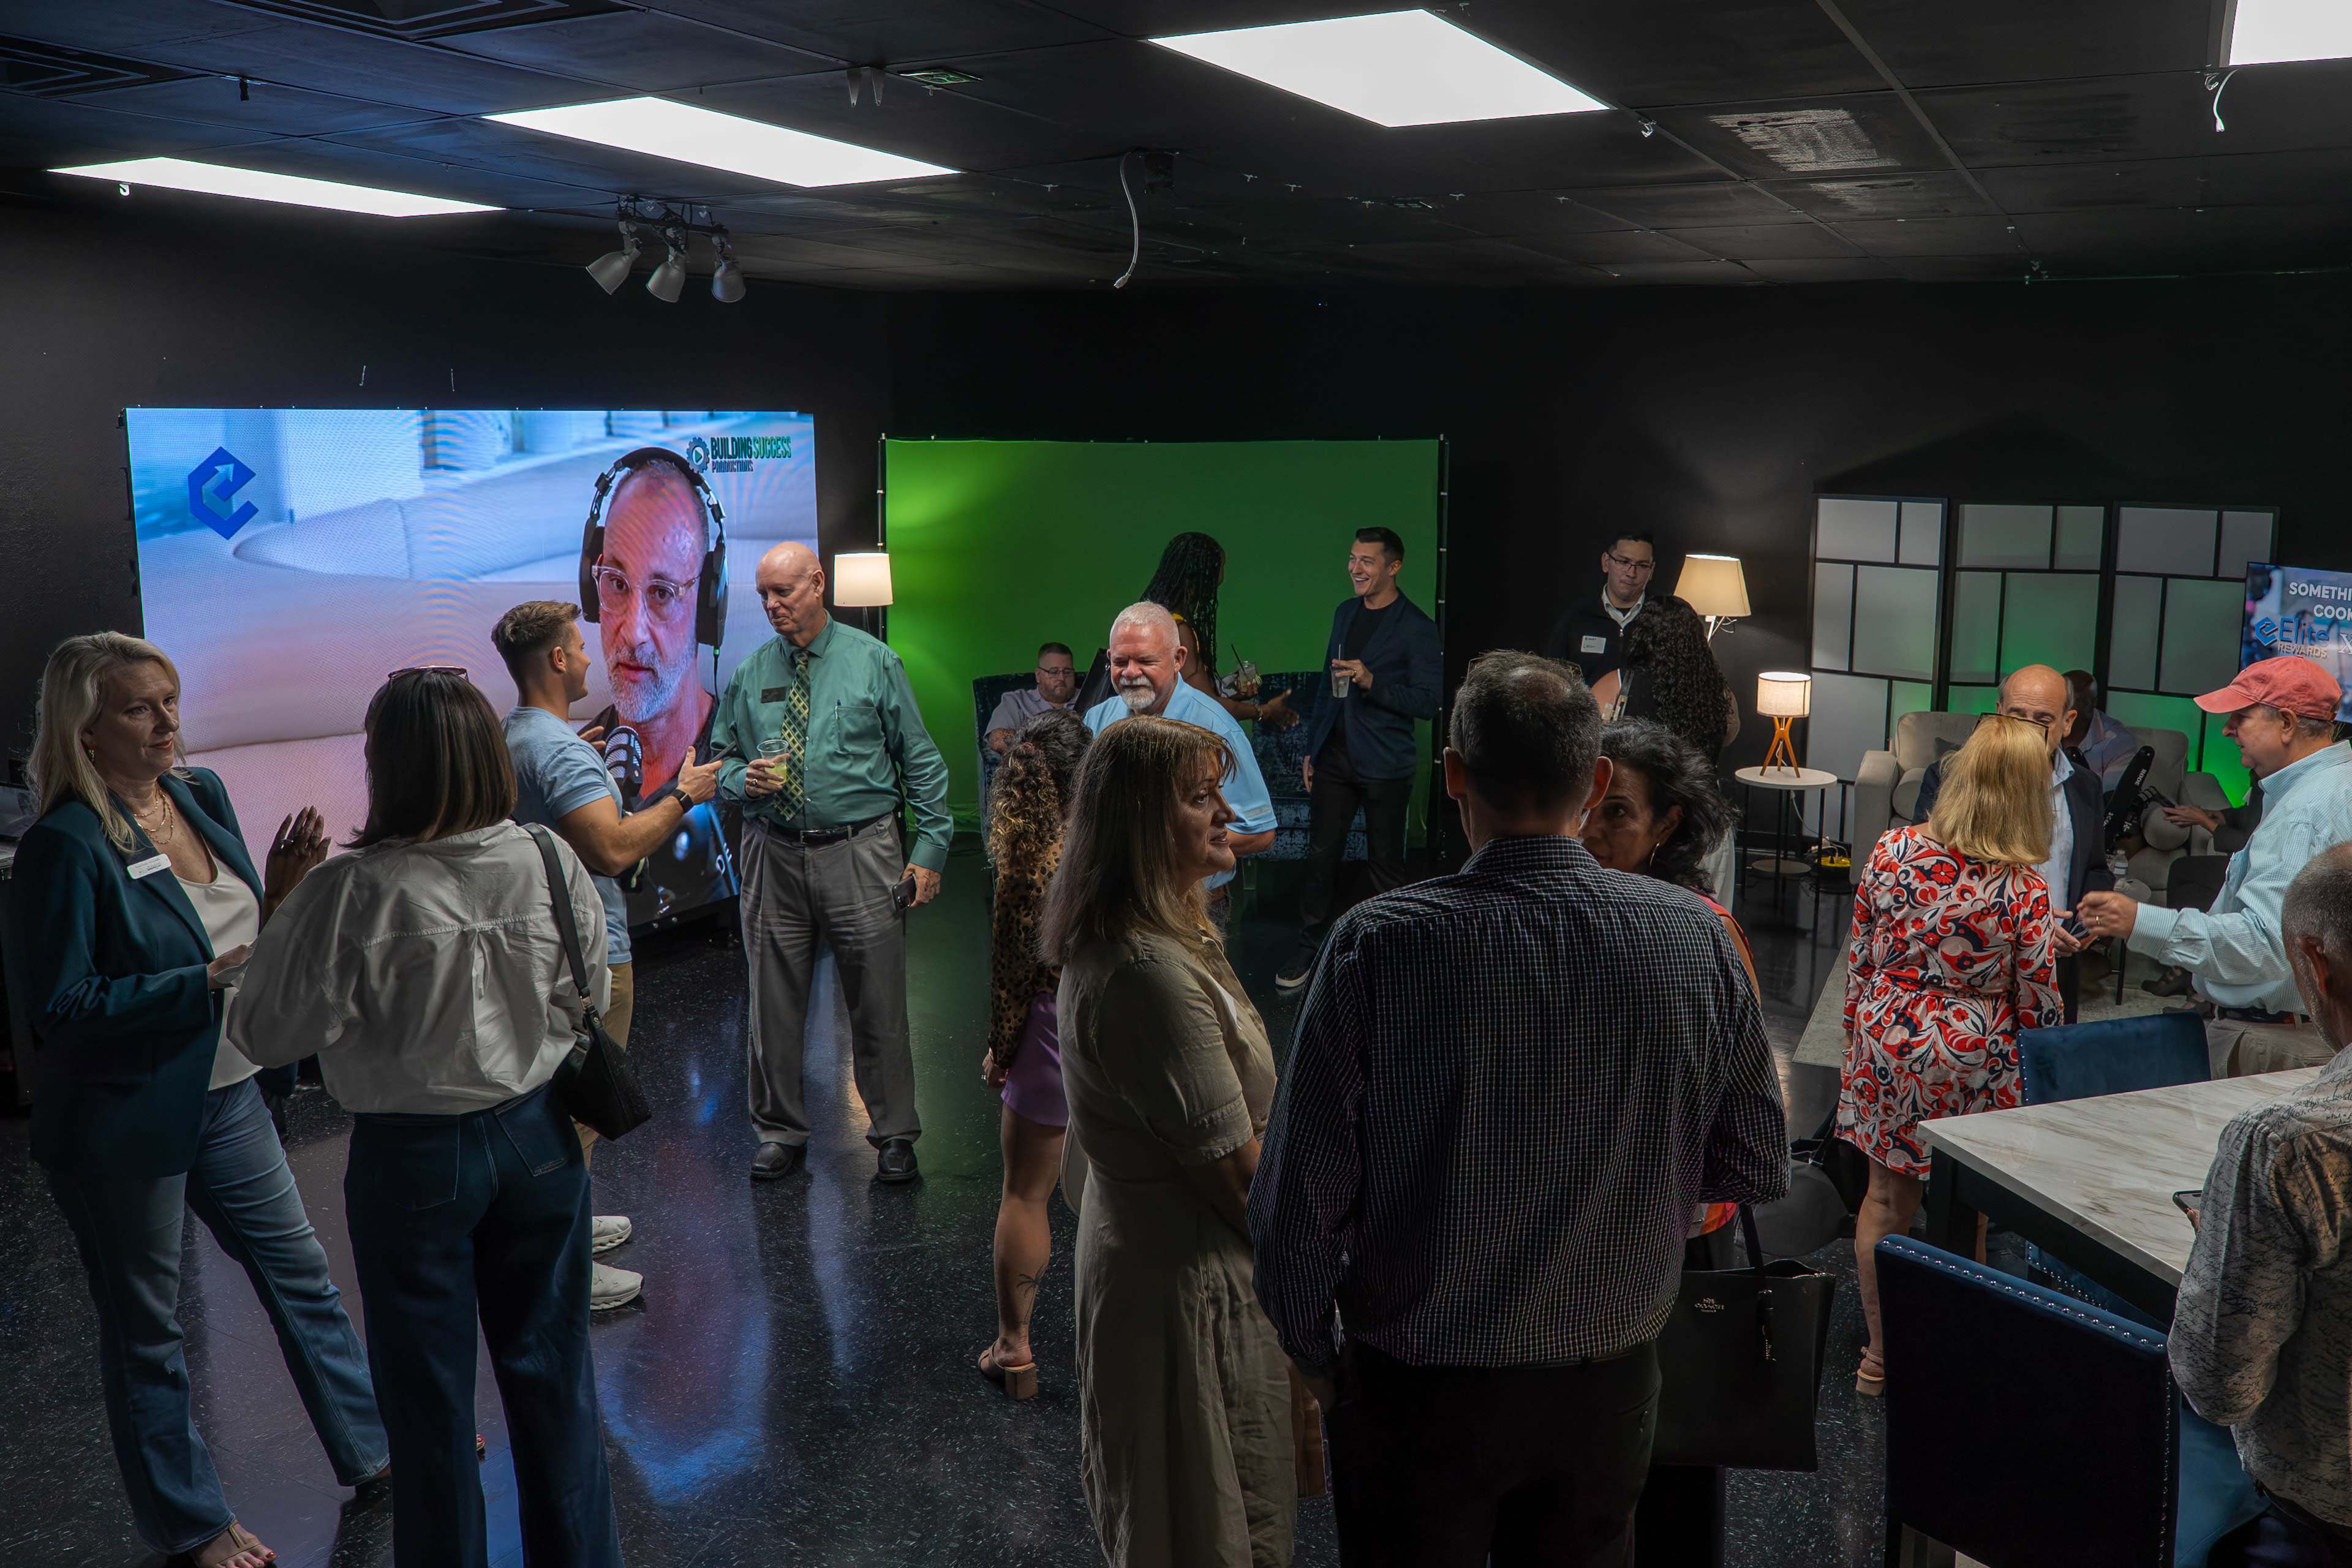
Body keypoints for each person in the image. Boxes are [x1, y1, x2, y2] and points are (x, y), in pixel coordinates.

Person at [1251, 652, 1789, 1568]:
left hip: (1415, 1389)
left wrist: (1314, 1355)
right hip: (1609, 1385)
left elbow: (1299, 1202)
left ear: (1454, 773)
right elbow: (1751, 1162)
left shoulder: (1378, 945)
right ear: (1598, 780)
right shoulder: (1695, 937)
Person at [2, 633, 386, 1568]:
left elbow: (239, 933)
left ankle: (375, 1454)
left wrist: (281, 901)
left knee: (305, 1280)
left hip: (229, 1095)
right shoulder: (64, 845)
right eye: (141, 708)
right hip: (123, 1120)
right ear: (86, 730)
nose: (168, 722)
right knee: (150, 1333)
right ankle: (191, 1523)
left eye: (170, 701)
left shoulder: (199, 797)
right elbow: (59, 1010)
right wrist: (200, 982)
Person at [226, 669, 621, 1568]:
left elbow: (262, 1030)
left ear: (387, 765)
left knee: (430, 1405)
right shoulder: (549, 857)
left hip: (411, 1162)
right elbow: (588, 992)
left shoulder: (348, 892)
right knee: (557, 1380)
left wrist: (281, 910)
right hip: (539, 1141)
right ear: (488, 754)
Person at [1044, 714, 1294, 1567]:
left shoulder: (1166, 933)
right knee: (1203, 1530)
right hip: (1182, 1298)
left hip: (1175, 1270)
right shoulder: (1147, 973)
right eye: (1198, 798)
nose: (1224, 811)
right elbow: (1235, 1173)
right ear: (1145, 826)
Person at [494, 598, 723, 1311]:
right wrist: (684, 793)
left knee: (565, 1107)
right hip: (588, 955)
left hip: (546, 948)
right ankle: (568, 1271)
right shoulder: (560, 750)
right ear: (557, 660)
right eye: (580, 647)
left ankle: (571, 1226)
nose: (593, 657)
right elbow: (615, 848)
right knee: (579, 1113)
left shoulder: (520, 735)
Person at [711, 542, 952, 1184]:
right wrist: (741, 781)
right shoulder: (750, 672)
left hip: (861, 849)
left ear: (819, 583)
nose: (771, 605)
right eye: (763, 594)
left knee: (877, 1000)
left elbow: (922, 761)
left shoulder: (874, 663)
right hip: (773, 853)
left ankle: (895, 1131)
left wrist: (929, 849)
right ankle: (780, 1131)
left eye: (784, 591)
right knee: (772, 1004)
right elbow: (718, 763)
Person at [1841, 714, 2064, 1395]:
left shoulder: (1892, 849)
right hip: (1973, 1056)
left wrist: (1859, 1032)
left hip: (1889, 1038)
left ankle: (1879, 1358)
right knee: (1966, 1210)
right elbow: (2038, 1002)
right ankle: (1949, 1348)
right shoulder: (2024, 888)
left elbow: (1861, 957)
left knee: (1884, 1198)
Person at [2174, 844, 2352, 1568]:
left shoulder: (2289, 1142)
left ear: (2314, 962)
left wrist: (2220, 1243)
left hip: (2311, 1525)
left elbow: (2219, 1383)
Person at [2078, 656, 2352, 1077]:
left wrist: (2140, 921)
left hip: (2276, 1042)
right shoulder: (2337, 784)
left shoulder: (2306, 811)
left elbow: (2263, 947)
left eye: (2240, 718)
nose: (2227, 730)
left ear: (2286, 723)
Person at [975, 708, 1091, 1401]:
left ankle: (1015, 1349)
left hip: (1053, 1024)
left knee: (1027, 1190)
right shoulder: (1122, 842)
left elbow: (1013, 967)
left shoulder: (1028, 857)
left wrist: (1003, 1047)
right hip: (1130, 1017)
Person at [1276, 526, 1442, 991]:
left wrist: (1373, 682)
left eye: (1367, 561)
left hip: (1387, 763)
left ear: (1393, 567)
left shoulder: (1418, 627)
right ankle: (1309, 949)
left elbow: (1428, 702)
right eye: (1352, 559)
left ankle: (1386, 954)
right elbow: (1329, 684)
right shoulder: (1345, 613)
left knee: (1385, 863)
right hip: (1334, 757)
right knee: (1320, 858)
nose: (1356, 568)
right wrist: (1314, 747)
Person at [580, 449, 737, 924]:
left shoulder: (745, 750)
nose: (632, 633)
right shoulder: (574, 764)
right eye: (617, 583)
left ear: (708, 606)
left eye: (663, 593)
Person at [1912, 666, 2109, 1021]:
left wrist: (2088, 922)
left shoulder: (2085, 786)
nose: (2028, 729)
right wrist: (2029, 922)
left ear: (2068, 722)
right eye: (2018, 715)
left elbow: (2094, 869)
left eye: (2044, 718)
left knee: (2048, 1068)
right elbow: (1928, 877)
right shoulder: (1948, 776)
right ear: (1999, 713)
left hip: (2056, 966)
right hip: (1971, 972)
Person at [1084, 602, 1276, 930]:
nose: (1130, 672)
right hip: (1115, 904)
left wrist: (1166, 849)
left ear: (1178, 660)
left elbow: (1260, 833)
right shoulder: (1098, 719)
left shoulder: (1217, 727)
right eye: (1120, 662)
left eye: (1145, 660)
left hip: (1191, 909)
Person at [1139, 530, 1296, 729]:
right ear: (1201, 578)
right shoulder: (1178, 630)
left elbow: (1187, 696)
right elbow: (1206, 707)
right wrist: (1264, 710)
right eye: (1218, 572)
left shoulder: (1151, 620)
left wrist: (1230, 693)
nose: (1220, 580)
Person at [1592, 595, 1738, 761]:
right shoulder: (1719, 690)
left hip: (1641, 784)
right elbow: (1728, 737)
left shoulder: (1617, 682)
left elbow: (1591, 737)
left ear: (1643, 636)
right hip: (1698, 784)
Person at [1542, 529, 1656, 685]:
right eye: (1623, 562)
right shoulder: (1576, 619)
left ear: (1652, 571)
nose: (1631, 573)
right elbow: (1552, 681)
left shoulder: (1662, 621)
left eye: (1642, 565)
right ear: (1606, 562)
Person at [984, 641, 1081, 754]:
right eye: (1054, 672)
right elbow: (997, 739)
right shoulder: (1016, 701)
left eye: (1067, 672)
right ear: (1039, 675)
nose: (1062, 678)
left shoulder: (1092, 698)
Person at [2064, 669, 2141, 792]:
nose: (2064, 705)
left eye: (2074, 699)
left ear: (2093, 701)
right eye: (2061, 698)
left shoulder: (2118, 741)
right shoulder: (2045, 728)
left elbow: (2109, 799)